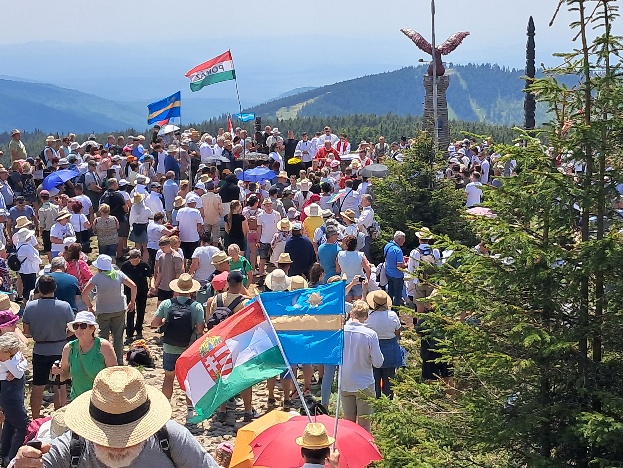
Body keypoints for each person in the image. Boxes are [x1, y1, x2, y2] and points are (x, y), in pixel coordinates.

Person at [13, 366, 221, 467]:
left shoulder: (169, 438)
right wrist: (21, 464)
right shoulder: (72, 446)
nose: (118, 446)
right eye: (107, 437)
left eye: (129, 436)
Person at [151, 274, 205, 424]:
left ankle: (165, 409)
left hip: (169, 346)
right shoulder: (196, 306)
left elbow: (154, 323)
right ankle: (190, 412)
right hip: (188, 348)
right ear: (191, 290)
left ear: (176, 289)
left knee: (168, 377)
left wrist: (164, 321)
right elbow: (200, 329)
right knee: (188, 380)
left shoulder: (167, 304)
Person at [22, 275, 74, 419]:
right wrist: (62, 335)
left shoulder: (30, 307)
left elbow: (26, 331)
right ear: (55, 288)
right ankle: (59, 418)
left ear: (39, 289)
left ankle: (35, 419)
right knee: (60, 385)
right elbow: (72, 328)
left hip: (40, 349)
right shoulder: (64, 306)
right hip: (59, 349)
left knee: (38, 386)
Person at [81, 255, 137, 365]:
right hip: (119, 309)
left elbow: (84, 293)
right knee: (118, 337)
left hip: (103, 311)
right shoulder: (118, 274)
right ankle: (119, 361)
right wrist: (132, 301)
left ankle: (104, 361)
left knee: (103, 338)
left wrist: (90, 306)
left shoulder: (97, 278)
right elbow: (133, 286)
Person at [50, 311, 117, 399]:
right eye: (76, 326)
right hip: (78, 399)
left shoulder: (103, 346)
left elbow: (114, 375)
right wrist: (57, 371)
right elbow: (64, 376)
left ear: (92, 328)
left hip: (101, 400)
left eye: (83, 326)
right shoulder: (69, 348)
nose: (78, 329)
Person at [341, 300, 383, 431]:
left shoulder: (340, 332)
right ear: (366, 316)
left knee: (348, 425)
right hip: (364, 383)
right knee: (364, 425)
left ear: (351, 314)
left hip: (345, 382)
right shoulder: (370, 334)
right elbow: (378, 362)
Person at [365, 290, 402, 399]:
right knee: (389, 378)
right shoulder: (392, 315)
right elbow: (397, 332)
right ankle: (388, 402)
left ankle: (375, 401)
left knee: (374, 378)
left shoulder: (368, 316)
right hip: (390, 348)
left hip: (373, 348)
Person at [0, 331, 29, 463]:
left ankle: (5, 454)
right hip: (9, 394)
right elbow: (17, 373)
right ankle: (13, 458)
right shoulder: (5, 357)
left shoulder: (12, 354)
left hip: (15, 393)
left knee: (10, 424)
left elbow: (23, 361)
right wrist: (14, 366)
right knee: (23, 427)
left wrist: (18, 366)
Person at [120, 249, 152, 342]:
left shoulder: (144, 265)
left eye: (136, 260)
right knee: (130, 311)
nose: (134, 262)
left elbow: (150, 276)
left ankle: (139, 329)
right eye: (132, 260)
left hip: (142, 291)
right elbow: (121, 278)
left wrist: (152, 286)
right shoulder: (125, 266)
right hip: (129, 291)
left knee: (141, 310)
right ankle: (129, 332)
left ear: (139, 258)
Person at [407, 227, 441, 312]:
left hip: (419, 282)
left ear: (419, 239)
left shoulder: (414, 252)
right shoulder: (435, 251)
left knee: (419, 305)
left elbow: (410, 270)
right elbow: (439, 268)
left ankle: (420, 320)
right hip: (432, 282)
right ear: (429, 239)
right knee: (432, 305)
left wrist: (410, 286)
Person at [336, 235, 371, 301]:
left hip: (345, 281)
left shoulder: (340, 254)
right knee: (358, 303)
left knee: (348, 304)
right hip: (358, 281)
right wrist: (367, 280)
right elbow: (368, 269)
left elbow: (337, 270)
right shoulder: (360, 255)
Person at [152, 236, 184, 303]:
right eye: (161, 248)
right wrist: (156, 285)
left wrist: (176, 290)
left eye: (163, 247)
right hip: (162, 287)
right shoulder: (161, 256)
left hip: (172, 288)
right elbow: (160, 272)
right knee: (160, 305)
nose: (162, 250)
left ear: (169, 245)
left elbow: (178, 274)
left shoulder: (176, 257)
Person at [256, 198, 282, 276]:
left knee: (276, 259)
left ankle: (277, 276)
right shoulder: (260, 216)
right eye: (267, 206)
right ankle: (261, 275)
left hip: (275, 240)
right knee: (263, 259)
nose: (269, 207)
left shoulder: (277, 214)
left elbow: (279, 227)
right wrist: (258, 240)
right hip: (264, 240)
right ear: (264, 206)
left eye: (270, 205)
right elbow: (259, 228)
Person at [15, 227, 41, 303]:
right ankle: (27, 302)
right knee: (30, 288)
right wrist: (39, 261)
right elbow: (33, 258)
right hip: (29, 270)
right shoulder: (26, 247)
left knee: (26, 287)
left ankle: (26, 301)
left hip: (24, 269)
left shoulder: (19, 245)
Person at [175, 196, 203, 263]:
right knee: (193, 257)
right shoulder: (196, 212)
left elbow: (178, 223)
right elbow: (199, 225)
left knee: (183, 257)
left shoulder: (180, 211)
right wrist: (197, 232)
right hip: (193, 238)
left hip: (182, 237)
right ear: (194, 203)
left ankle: (184, 268)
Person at [383, 231, 406, 307]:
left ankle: (389, 306)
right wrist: (407, 264)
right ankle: (396, 309)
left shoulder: (387, 246)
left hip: (388, 273)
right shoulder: (398, 250)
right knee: (397, 294)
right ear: (399, 239)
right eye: (403, 240)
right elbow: (399, 266)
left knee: (390, 291)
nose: (404, 242)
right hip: (397, 276)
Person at [129, 192, 153, 260]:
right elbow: (151, 216)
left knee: (137, 247)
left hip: (136, 227)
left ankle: (137, 260)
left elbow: (131, 219)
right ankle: (145, 261)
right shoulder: (147, 209)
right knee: (145, 247)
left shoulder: (133, 209)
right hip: (144, 227)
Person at [37, 190, 59, 262]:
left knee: (48, 248)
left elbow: (42, 223)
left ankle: (51, 262)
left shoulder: (41, 210)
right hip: (56, 229)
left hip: (47, 231)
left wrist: (40, 232)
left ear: (41, 198)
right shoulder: (56, 207)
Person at [201, 181, 223, 246]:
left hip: (206, 218)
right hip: (215, 218)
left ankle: (206, 248)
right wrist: (220, 215)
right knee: (215, 236)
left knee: (206, 235)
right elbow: (220, 209)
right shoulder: (217, 197)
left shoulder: (202, 197)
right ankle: (215, 248)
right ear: (213, 188)